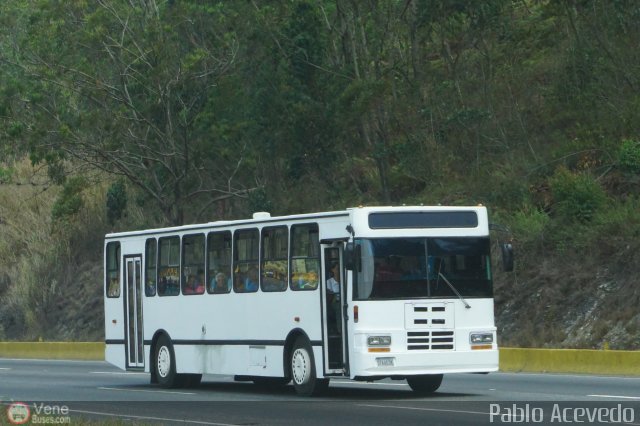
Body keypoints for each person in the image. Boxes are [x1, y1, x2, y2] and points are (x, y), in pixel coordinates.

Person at [326, 262, 341, 333]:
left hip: (344, 301)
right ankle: (340, 330)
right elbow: (329, 296)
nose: (339, 271)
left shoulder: (345, 280)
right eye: (337, 269)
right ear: (333, 270)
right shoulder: (329, 282)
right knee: (339, 308)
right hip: (334, 302)